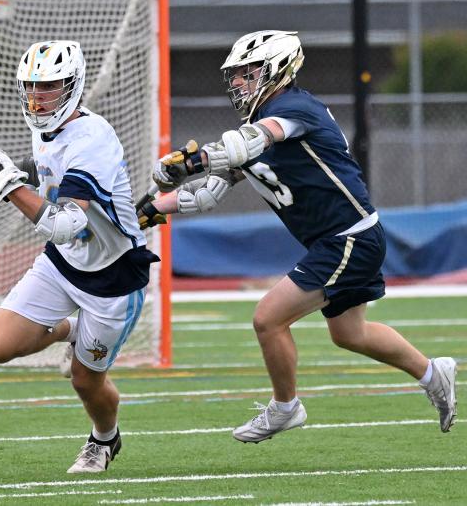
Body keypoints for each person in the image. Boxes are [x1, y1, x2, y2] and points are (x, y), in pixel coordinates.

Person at [138, 30, 457, 442]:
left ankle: (285, 407)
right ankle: (433, 374)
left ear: (278, 68)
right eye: (237, 74)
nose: (239, 82)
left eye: (248, 72)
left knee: (268, 319)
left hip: (349, 237)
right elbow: (206, 194)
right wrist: (150, 210)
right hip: (340, 239)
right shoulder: (255, 127)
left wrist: (189, 162)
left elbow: (247, 144)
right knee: (350, 334)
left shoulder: (294, 108)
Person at [0, 40, 159, 472]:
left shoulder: (93, 138)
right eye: (32, 86)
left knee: (85, 380)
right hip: (64, 261)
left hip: (113, 274)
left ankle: (104, 438)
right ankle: (72, 331)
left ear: (73, 86)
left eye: (49, 86)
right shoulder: (45, 129)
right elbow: (46, 172)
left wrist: (5, 183)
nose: (38, 97)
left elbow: (65, 222)